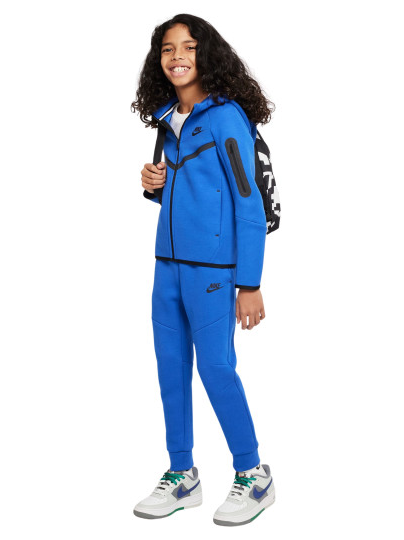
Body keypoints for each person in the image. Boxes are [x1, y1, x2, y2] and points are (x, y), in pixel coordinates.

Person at [130, 14, 276, 526]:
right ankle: (182, 475)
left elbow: (247, 202)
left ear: (206, 54)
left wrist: (249, 282)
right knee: (170, 369)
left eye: (188, 47)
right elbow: (192, 192)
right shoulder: (168, 119)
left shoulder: (225, 117)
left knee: (216, 368)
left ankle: (253, 474)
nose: (177, 57)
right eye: (168, 49)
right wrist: (153, 185)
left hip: (214, 270)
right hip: (166, 267)